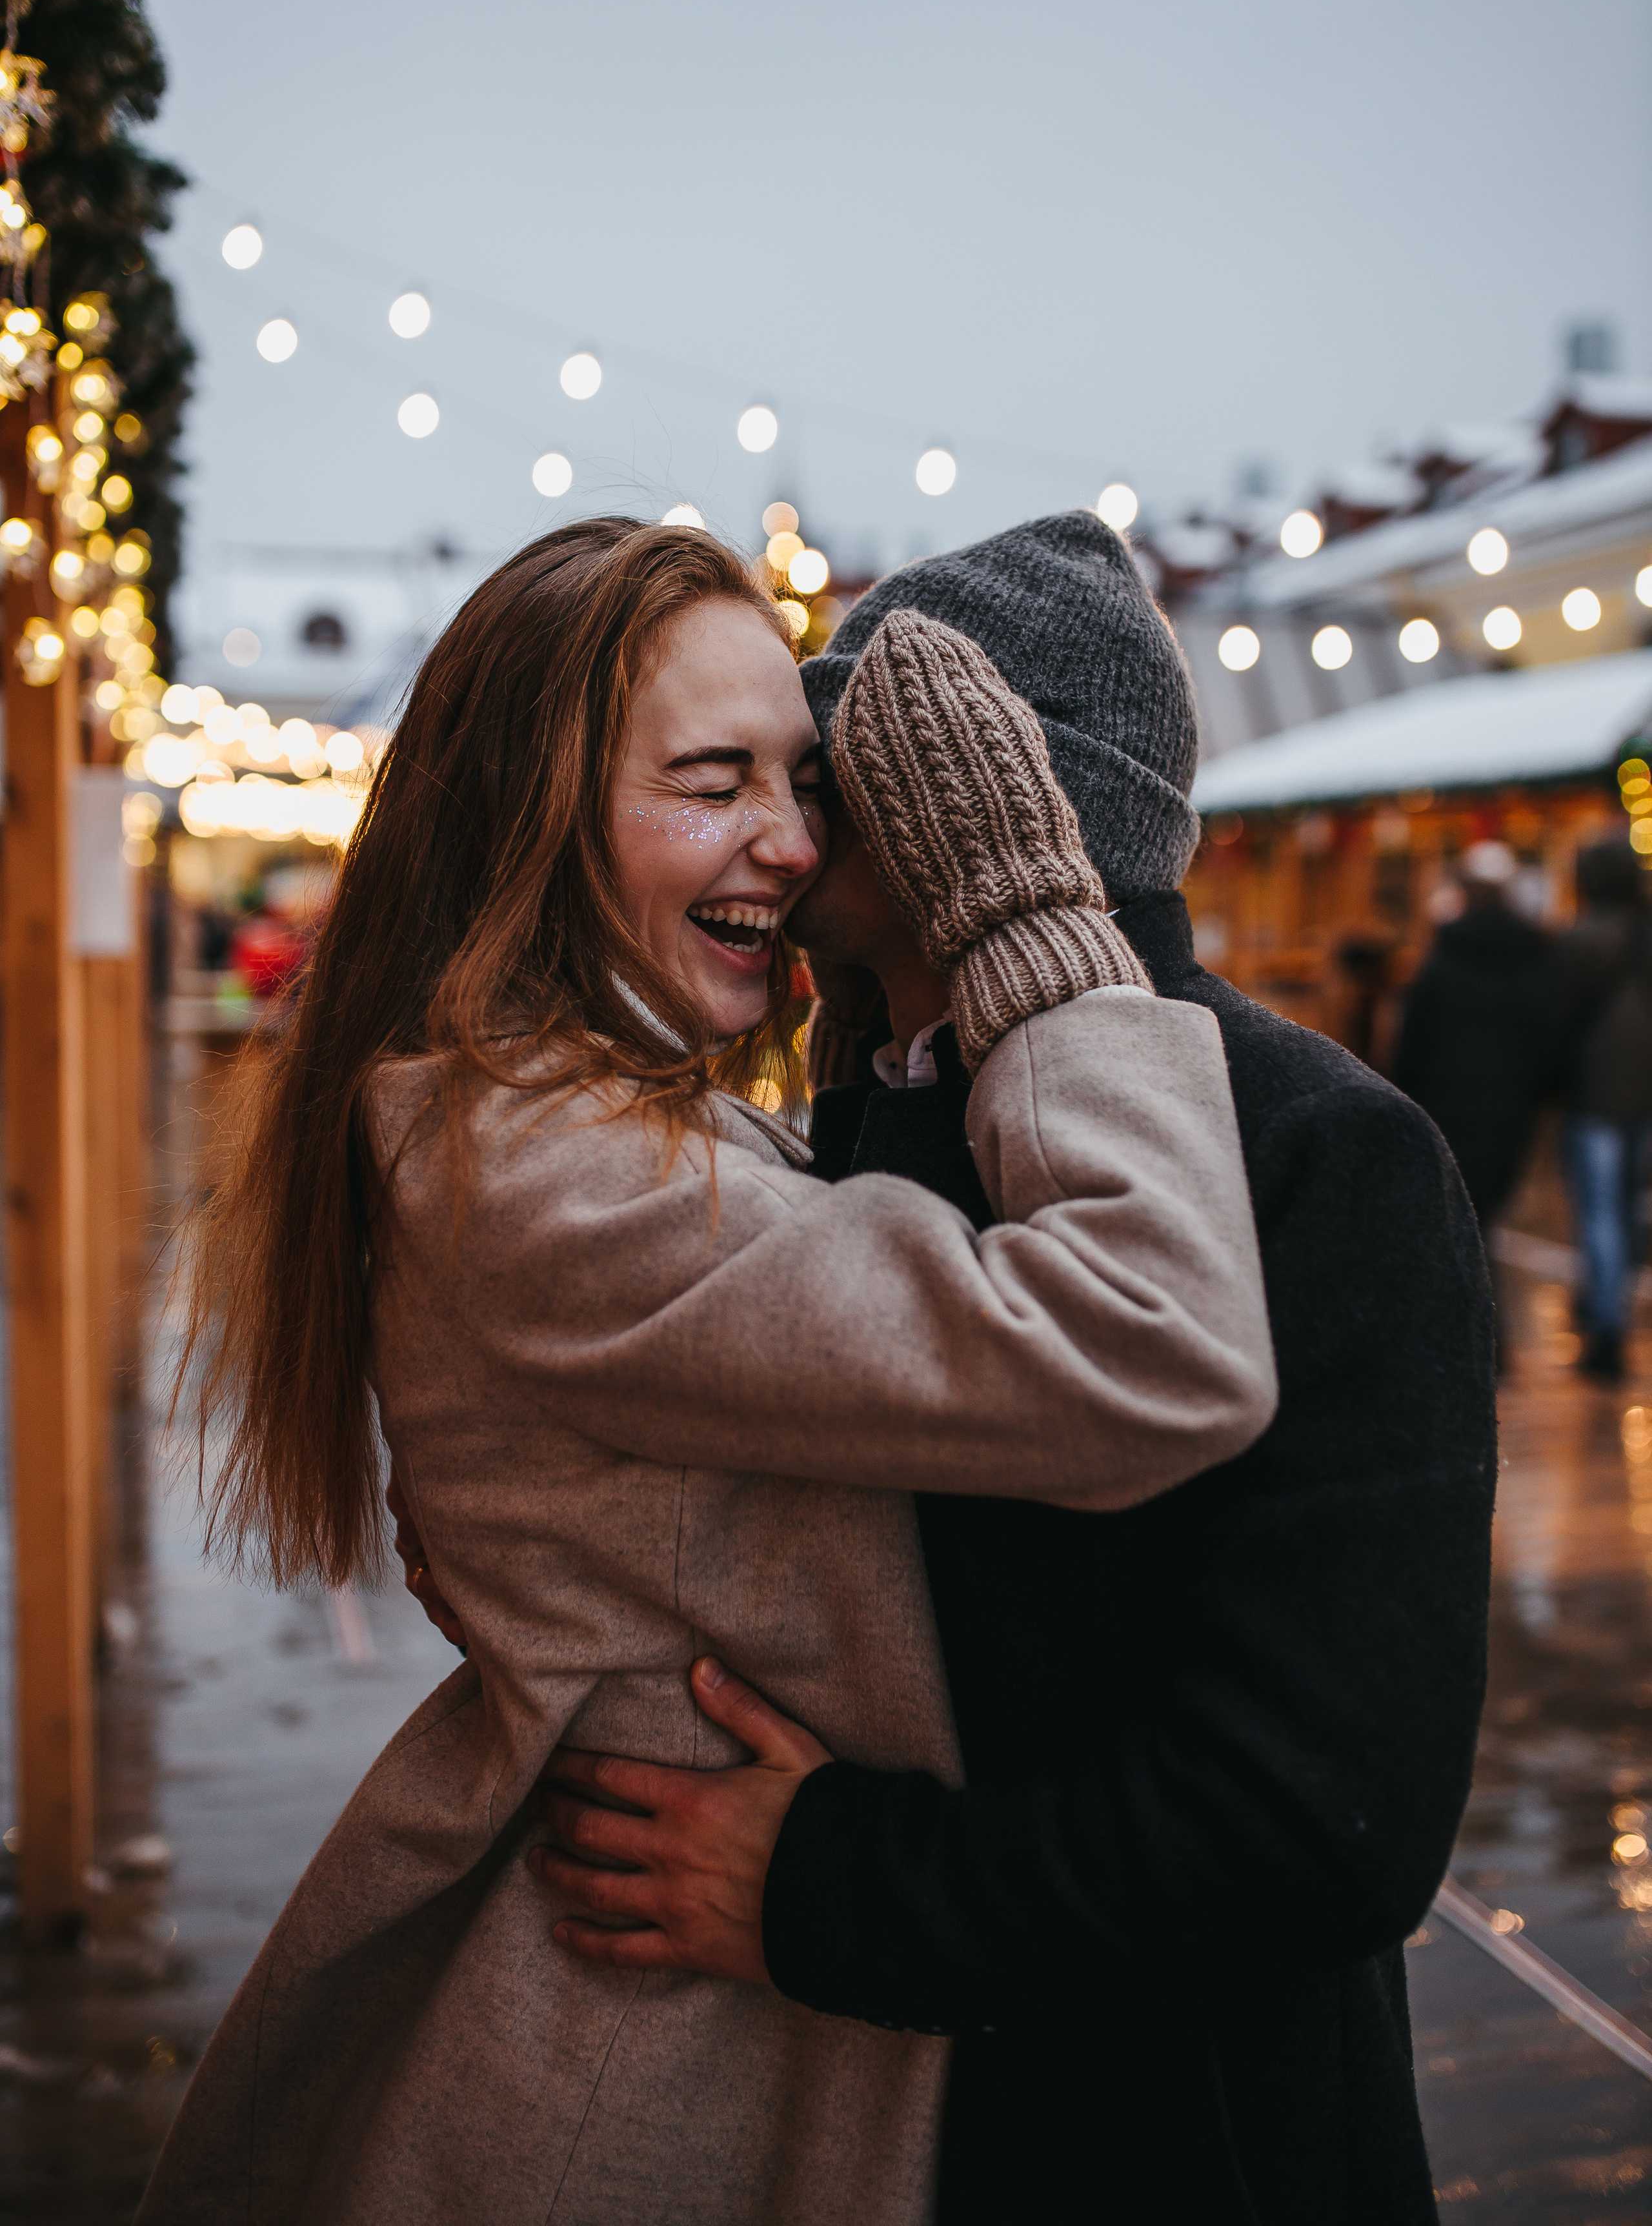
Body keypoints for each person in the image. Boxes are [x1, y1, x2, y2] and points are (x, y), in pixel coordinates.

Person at [137, 517, 1276, 2226]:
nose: (793, 842)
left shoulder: (553, 1124)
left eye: (806, 782)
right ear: (536, 820)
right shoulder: (555, 1172)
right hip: (636, 2082)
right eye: (713, 780)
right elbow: (1161, 1346)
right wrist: (1031, 923)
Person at [503, 511, 1498, 2226]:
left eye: (835, 757)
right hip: (866, 2120)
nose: (788, 819)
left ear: (985, 790)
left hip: (1186, 2145)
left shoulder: (1329, 1158)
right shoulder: (874, 1100)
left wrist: (827, 1887)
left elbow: (1326, 1820)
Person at [1392, 838, 1556, 1233]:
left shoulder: (1442, 959)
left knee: (1449, 1212)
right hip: (1509, 1107)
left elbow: (1412, 1042)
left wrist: (1403, 1094)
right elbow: (1546, 1039)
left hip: (1444, 1103)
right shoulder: (1532, 960)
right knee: (1488, 1215)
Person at [1554, 833, 1652, 1381]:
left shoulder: (1583, 940)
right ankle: (1609, 1302)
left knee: (1599, 1212)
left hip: (1596, 1092)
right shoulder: (1644, 933)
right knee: (1626, 1209)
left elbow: (1559, 1017)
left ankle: (1607, 1322)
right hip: (1644, 1091)